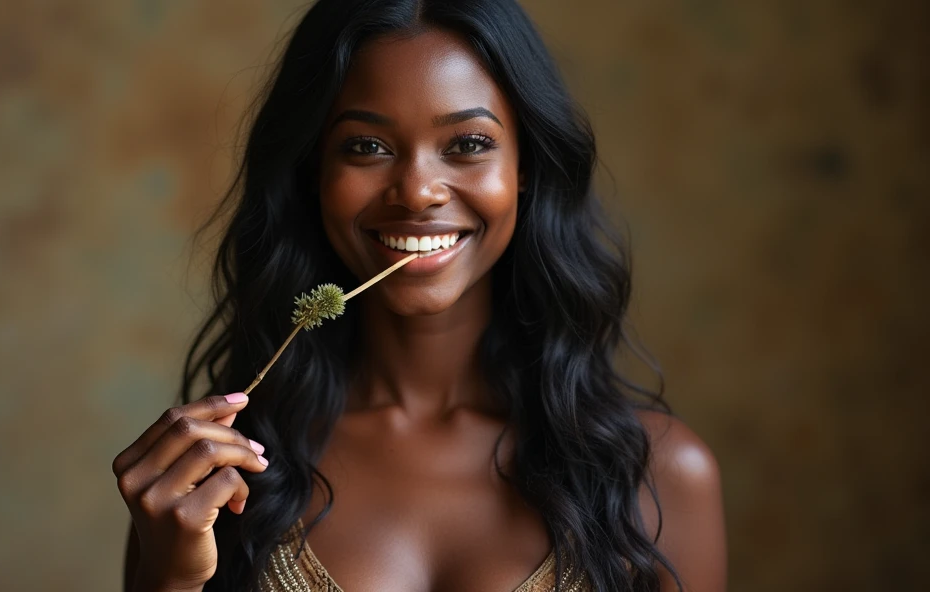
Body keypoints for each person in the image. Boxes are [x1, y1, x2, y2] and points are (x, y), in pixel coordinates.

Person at [112, 1, 727, 590]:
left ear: (525, 171)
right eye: (366, 147)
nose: (417, 192)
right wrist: (166, 581)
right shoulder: (213, 482)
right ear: (313, 173)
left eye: (467, 144)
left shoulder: (661, 478)